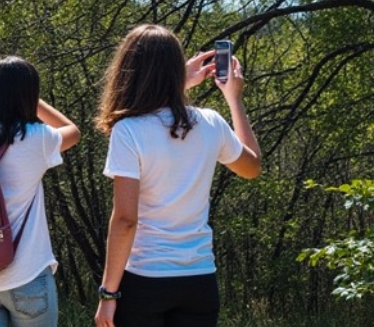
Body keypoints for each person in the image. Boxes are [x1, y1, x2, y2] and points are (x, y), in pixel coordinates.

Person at [94, 24, 262, 327]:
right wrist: (234, 99)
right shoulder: (210, 121)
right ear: (176, 72)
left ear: (127, 71)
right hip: (198, 280)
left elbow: (125, 220)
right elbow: (252, 168)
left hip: (146, 279)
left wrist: (108, 295)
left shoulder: (129, 130)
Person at [0, 56, 80, 327]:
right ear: (28, 95)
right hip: (26, 276)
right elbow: (73, 132)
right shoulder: (36, 138)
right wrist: (35, 101)